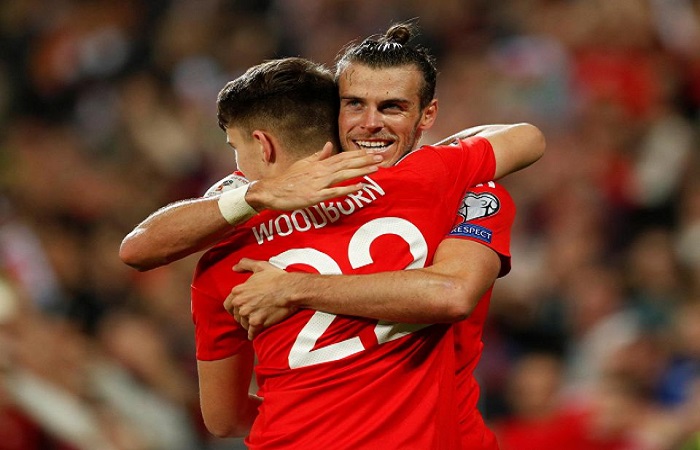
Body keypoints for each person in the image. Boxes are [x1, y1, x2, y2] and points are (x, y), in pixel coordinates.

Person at [120, 23, 544, 449]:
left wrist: (294, 289)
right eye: (354, 104)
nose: (370, 124)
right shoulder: (442, 181)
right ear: (333, 111)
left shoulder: (227, 249)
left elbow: (224, 417)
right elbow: (526, 140)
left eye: (392, 107)